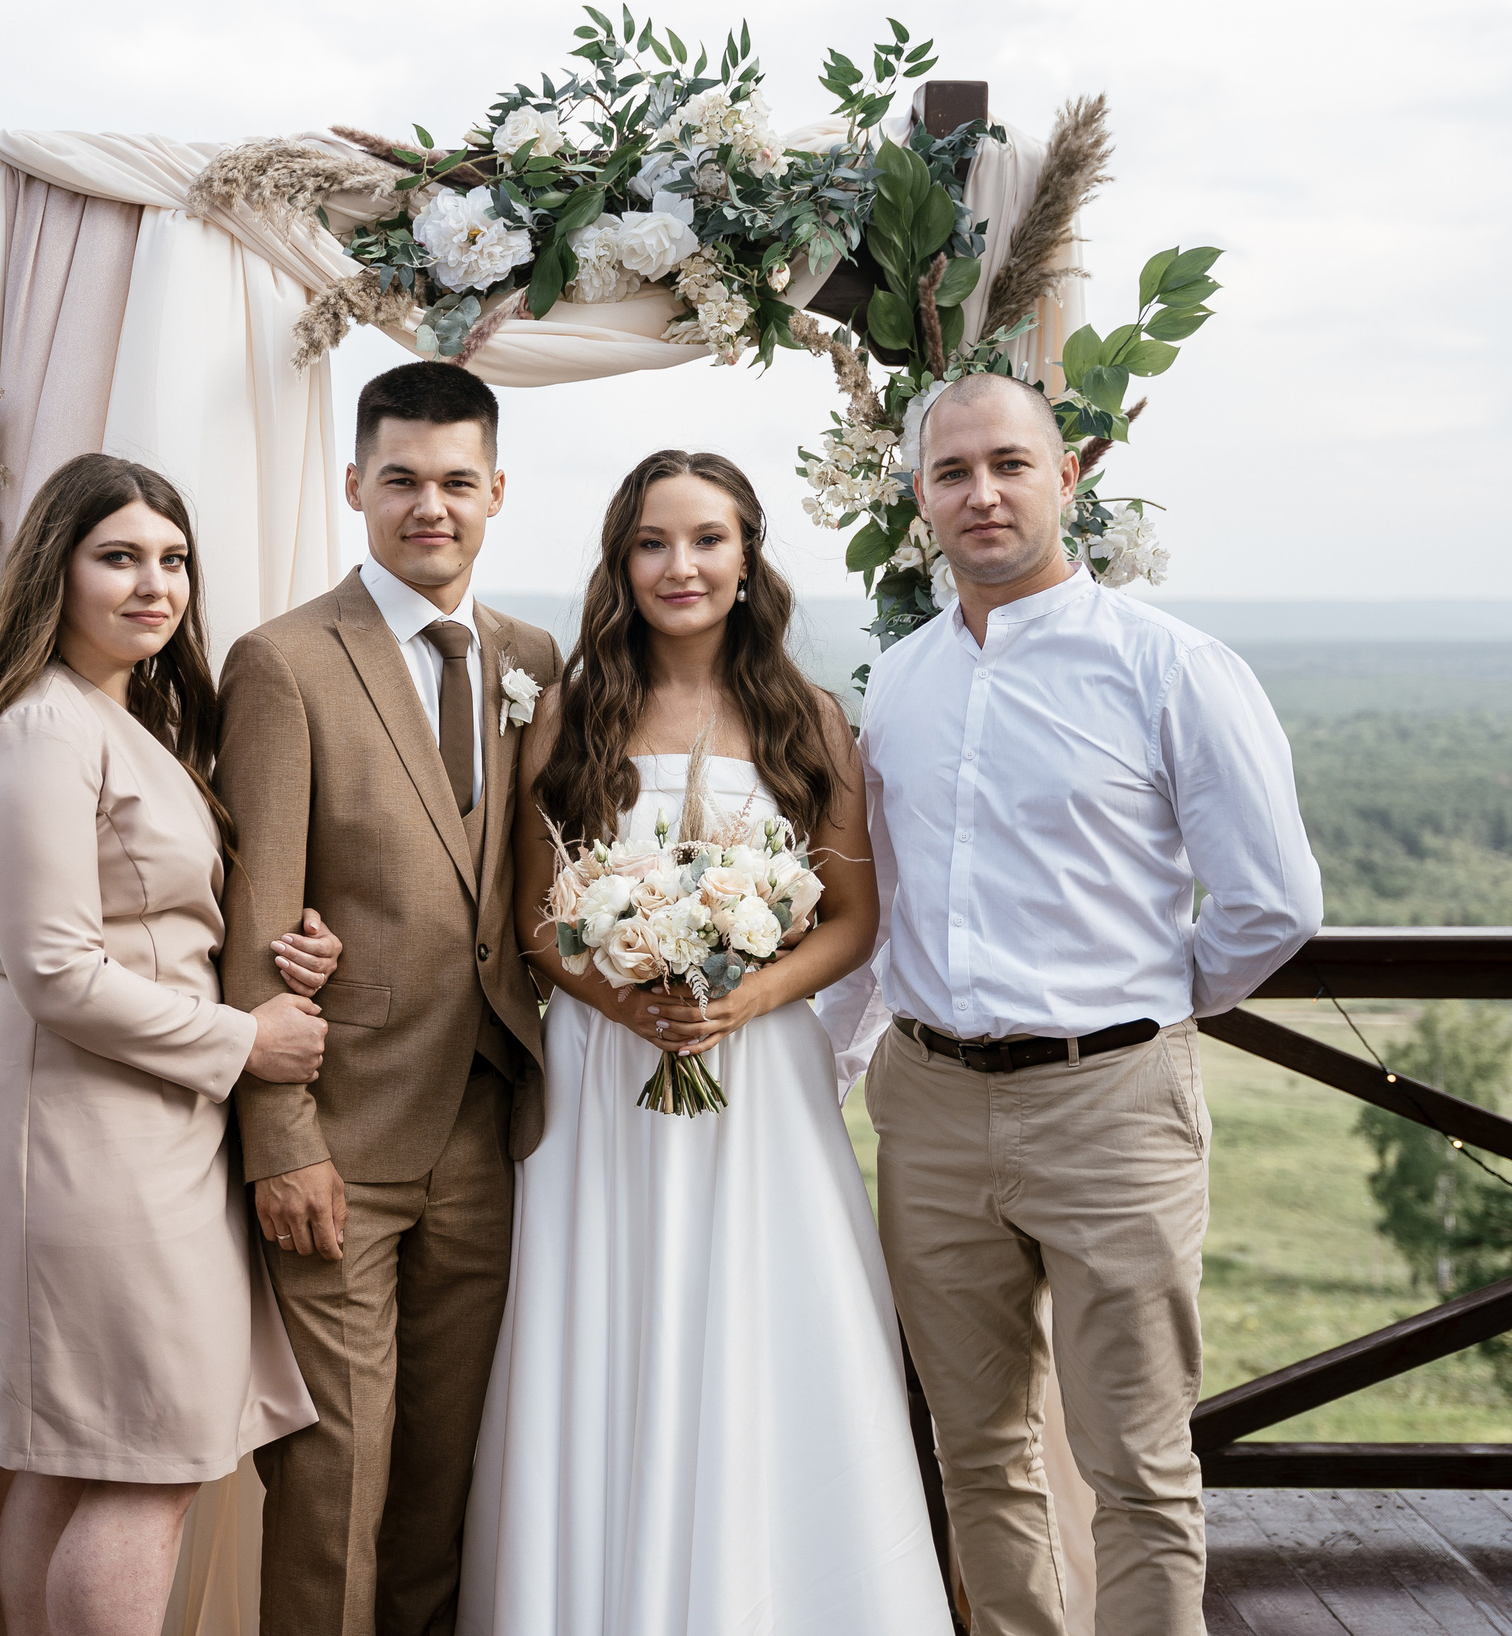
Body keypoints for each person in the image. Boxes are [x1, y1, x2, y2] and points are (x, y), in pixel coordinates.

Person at [841, 372, 1322, 1636]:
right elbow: (879, 907)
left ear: (1068, 477)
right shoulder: (898, 683)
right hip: (930, 1109)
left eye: (1009, 463)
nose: (981, 492)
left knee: (1138, 1463)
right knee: (975, 1450)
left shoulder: (1170, 667)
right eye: (951, 473)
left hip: (1113, 1105)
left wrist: (1141, 1013)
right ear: (918, 499)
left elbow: (1272, 900)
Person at [458, 449, 956, 1635]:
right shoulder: (573, 712)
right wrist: (625, 994)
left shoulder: (809, 716)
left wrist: (747, 996)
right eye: (651, 543)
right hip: (602, 1077)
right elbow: (534, 919)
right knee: (603, 1339)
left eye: (706, 540)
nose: (679, 566)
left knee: (768, 1333)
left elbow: (854, 918)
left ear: (748, 558)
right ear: (620, 563)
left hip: (761, 1072)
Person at [0, 452, 338, 1636]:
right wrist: (245, 1039)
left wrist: (280, 960)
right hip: (84, 1142)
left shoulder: (112, 716)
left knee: (77, 1458)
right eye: (120, 557)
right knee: (150, 1464)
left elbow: (148, 930)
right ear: (57, 570)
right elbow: (51, 969)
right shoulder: (44, 728)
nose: (155, 585)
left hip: (128, 1135)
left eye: (173, 559)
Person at [215, 362, 562, 1636]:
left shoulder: (532, 658)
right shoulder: (283, 663)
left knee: (442, 1470)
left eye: (456, 482)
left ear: (496, 493)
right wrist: (282, 1140)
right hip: (340, 1138)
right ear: (356, 485)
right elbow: (259, 925)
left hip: (490, 1126)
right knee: (332, 1472)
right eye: (403, 480)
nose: (431, 506)